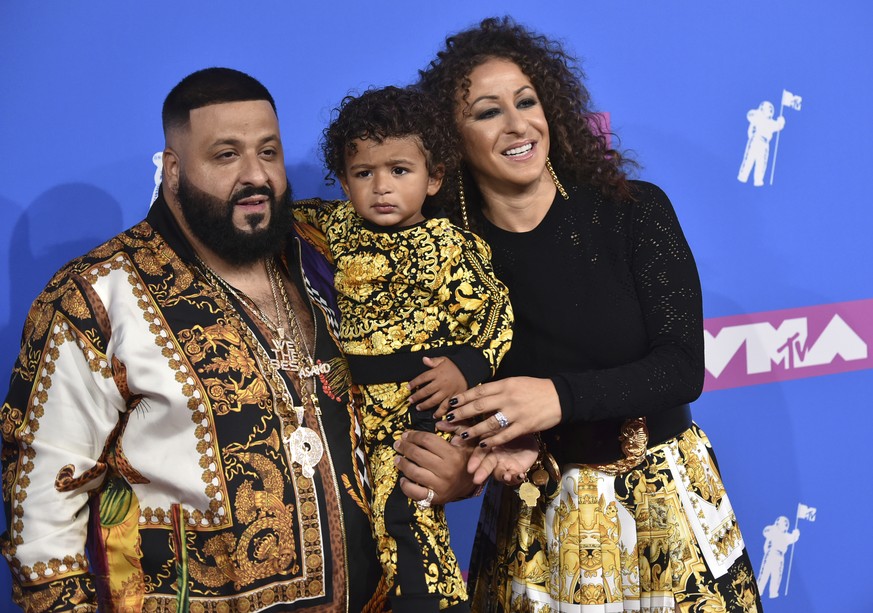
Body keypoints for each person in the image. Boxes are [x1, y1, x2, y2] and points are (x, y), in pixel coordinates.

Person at [0, 67, 465, 612]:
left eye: (269, 152)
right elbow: (42, 510)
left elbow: (424, 376)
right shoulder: (95, 297)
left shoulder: (337, 255)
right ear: (173, 170)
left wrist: (456, 471)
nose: (256, 176)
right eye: (226, 155)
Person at [401, 16, 764, 612]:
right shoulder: (443, 257)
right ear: (450, 138)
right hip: (533, 529)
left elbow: (680, 369)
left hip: (659, 511)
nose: (517, 124)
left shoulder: (633, 210)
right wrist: (465, 463)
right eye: (488, 111)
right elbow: (446, 398)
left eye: (527, 101)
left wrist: (557, 398)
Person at [293, 85, 514, 612]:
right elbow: (279, 214)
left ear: (432, 177)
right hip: (354, 403)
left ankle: (434, 602)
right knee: (362, 517)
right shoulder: (337, 227)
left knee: (407, 508)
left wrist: (465, 366)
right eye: (364, 173)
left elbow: (496, 313)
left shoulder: (449, 245)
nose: (381, 187)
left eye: (399, 170)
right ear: (345, 181)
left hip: (419, 399)